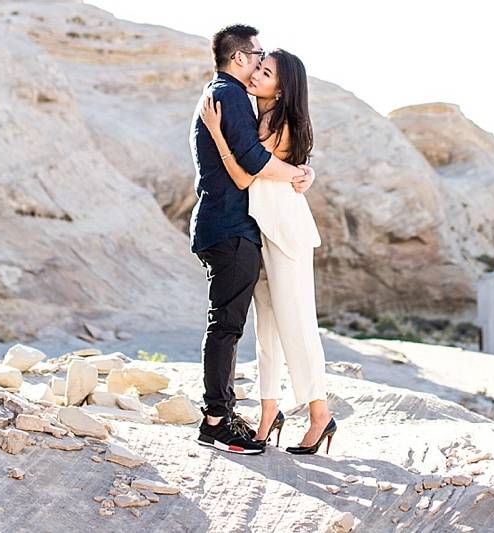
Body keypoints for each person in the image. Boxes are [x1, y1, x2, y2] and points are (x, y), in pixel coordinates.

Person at [199, 48, 336, 455]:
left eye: (267, 71)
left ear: (282, 86)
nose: (257, 74)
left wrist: (217, 131)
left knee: (297, 326)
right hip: (261, 232)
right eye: (258, 67)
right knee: (268, 332)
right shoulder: (259, 117)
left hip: (287, 233)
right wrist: (302, 172)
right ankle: (267, 414)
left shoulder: (279, 125)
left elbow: (245, 175)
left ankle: (320, 415)